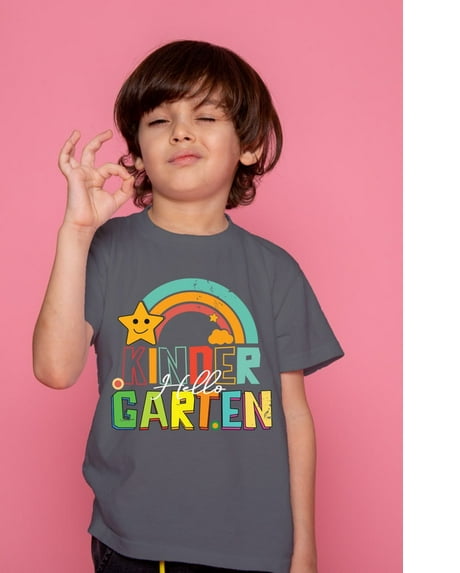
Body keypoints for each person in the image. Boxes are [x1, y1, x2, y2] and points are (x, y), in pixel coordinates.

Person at [33, 40, 343, 573]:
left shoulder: (275, 270)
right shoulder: (104, 250)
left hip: (255, 548)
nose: (180, 131)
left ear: (248, 146)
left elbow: (293, 415)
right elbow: (55, 370)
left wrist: (304, 549)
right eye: (159, 120)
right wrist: (77, 233)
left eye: (205, 116)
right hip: (136, 543)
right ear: (137, 154)